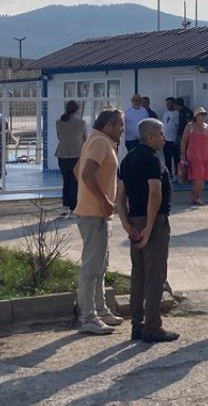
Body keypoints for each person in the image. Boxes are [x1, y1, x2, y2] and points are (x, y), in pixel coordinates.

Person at [115, 118, 179, 343]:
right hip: (154, 221)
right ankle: (153, 326)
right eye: (161, 134)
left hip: (134, 219)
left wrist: (126, 223)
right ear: (150, 137)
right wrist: (150, 227)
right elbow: (155, 194)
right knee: (155, 275)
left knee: (138, 274)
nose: (164, 138)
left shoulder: (128, 160)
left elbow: (120, 195)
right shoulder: (152, 160)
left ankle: (137, 324)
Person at [74, 108, 127, 335]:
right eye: (119, 125)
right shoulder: (101, 143)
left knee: (100, 265)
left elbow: (78, 170)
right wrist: (104, 200)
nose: (123, 130)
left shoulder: (96, 140)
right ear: (108, 125)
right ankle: (88, 317)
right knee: (91, 267)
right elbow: (85, 173)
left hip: (96, 212)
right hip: (94, 212)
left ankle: (100, 308)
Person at [180, 107, 208, 206]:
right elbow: (184, 141)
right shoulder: (190, 126)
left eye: (204, 114)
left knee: (203, 177)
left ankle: (197, 195)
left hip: (205, 155)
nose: (203, 116)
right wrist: (182, 154)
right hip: (193, 155)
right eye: (201, 114)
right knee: (197, 176)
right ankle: (195, 195)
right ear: (196, 116)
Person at [55, 100, 87, 216]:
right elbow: (85, 139)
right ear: (77, 110)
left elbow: (59, 137)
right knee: (76, 182)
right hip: (77, 154)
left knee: (66, 181)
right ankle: (74, 207)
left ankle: (65, 205)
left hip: (62, 154)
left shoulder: (59, 122)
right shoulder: (81, 123)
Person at [161, 98, 183, 179]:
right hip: (166, 139)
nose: (167, 105)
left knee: (176, 158)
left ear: (173, 104)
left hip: (174, 139)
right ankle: (169, 174)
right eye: (167, 104)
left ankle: (177, 174)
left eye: (169, 103)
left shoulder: (177, 113)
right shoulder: (165, 113)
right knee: (167, 158)